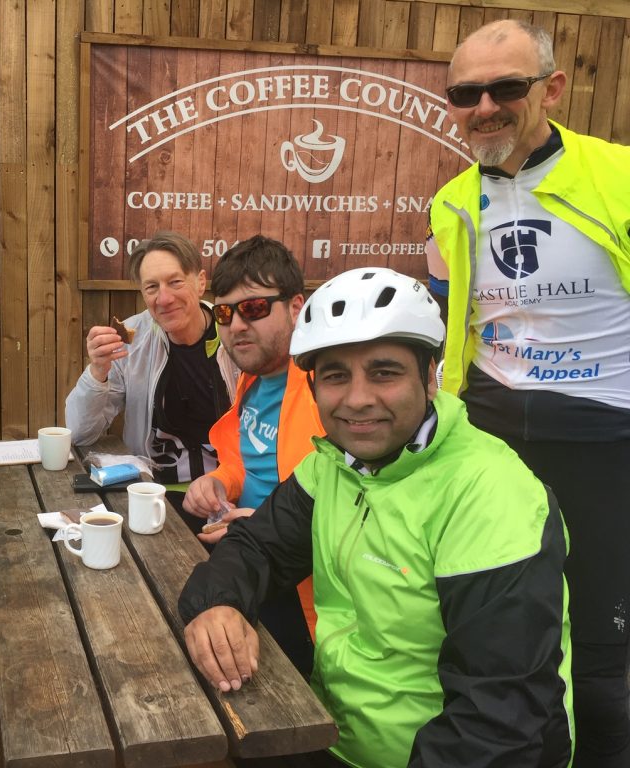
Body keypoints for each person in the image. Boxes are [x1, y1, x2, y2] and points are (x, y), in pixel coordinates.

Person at [179, 267, 573, 767]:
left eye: (384, 372)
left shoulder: (490, 494)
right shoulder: (334, 463)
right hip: (333, 737)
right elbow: (256, 546)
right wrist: (219, 605)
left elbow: (499, 723)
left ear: (430, 377)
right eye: (336, 375)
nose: (358, 398)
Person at [427, 19, 630, 766]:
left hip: (606, 435)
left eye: (505, 87)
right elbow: (461, 325)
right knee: (497, 624)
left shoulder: (619, 176)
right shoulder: (451, 200)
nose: (484, 106)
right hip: (491, 434)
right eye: (465, 92)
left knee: (604, 652)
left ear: (552, 88)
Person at [181, 235, 322, 676]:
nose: (236, 324)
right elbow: (248, 459)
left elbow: (351, 501)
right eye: (224, 312)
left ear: (296, 307)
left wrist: (260, 527)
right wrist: (220, 481)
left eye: (255, 308)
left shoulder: (329, 388)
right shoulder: (254, 378)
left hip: (303, 589)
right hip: (247, 555)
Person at [65, 231, 238, 495]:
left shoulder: (235, 336)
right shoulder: (131, 341)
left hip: (228, 490)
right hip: (151, 492)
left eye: (175, 282)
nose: (164, 298)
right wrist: (97, 372)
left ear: (201, 282)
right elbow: (79, 434)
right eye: (152, 287)